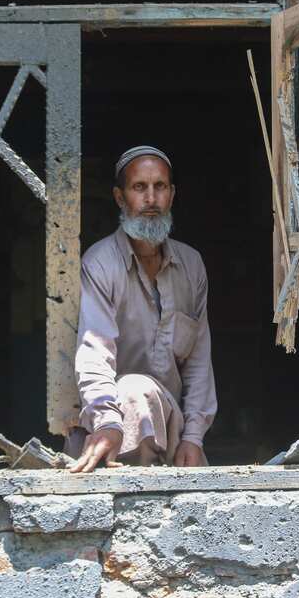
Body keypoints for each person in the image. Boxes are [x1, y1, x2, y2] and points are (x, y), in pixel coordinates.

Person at [68, 145, 216, 473]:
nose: (151, 198)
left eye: (159, 187)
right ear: (120, 198)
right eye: (139, 188)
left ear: (172, 194)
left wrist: (194, 437)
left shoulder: (191, 266)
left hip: (173, 425)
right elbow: (95, 350)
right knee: (135, 390)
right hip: (113, 421)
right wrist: (106, 420)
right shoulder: (101, 263)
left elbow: (199, 361)